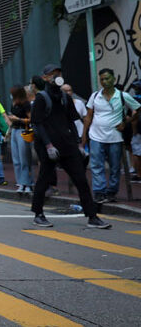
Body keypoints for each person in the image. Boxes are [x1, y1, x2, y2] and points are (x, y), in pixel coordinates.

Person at [30, 64, 110, 229]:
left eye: (58, 73)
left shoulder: (65, 98)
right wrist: (48, 145)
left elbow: (72, 121)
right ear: (45, 77)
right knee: (44, 180)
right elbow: (37, 125)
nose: (56, 76)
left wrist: (78, 144)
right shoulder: (41, 98)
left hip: (68, 145)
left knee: (81, 180)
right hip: (49, 148)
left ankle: (92, 216)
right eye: (52, 74)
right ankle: (38, 214)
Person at [82, 68, 139, 204]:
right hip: (96, 136)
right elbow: (88, 116)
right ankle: (99, 192)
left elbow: (137, 109)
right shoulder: (95, 96)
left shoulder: (122, 96)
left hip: (115, 137)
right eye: (102, 79)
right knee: (97, 166)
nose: (104, 81)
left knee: (114, 167)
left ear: (114, 79)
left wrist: (126, 122)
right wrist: (84, 135)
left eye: (107, 78)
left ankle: (112, 192)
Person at [8, 85, 34, 194]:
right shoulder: (14, 103)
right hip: (14, 130)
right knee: (16, 159)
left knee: (25, 159)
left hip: (23, 130)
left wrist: (18, 119)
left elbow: (31, 119)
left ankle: (27, 183)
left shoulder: (26, 104)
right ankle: (20, 182)